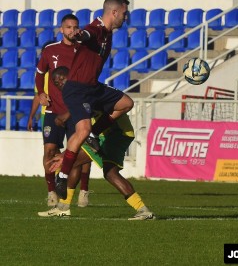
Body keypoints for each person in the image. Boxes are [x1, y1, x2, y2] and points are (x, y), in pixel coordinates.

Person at [38, 66, 155, 220]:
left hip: (115, 133)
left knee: (73, 163)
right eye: (55, 81)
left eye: (62, 78)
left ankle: (63, 207)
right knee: (110, 173)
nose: (59, 82)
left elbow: (101, 107)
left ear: (72, 78)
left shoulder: (88, 91)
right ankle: (143, 210)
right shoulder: (78, 95)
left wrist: (66, 151)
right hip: (111, 134)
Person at [55, 0, 134, 200]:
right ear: (114, 12)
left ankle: (93, 135)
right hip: (77, 89)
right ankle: (62, 176)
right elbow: (86, 35)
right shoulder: (96, 28)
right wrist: (79, 36)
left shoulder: (108, 32)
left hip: (93, 87)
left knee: (126, 103)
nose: (126, 18)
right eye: (124, 14)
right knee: (82, 129)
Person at [33, 15, 92, 207]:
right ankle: (51, 192)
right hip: (53, 111)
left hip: (76, 112)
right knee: (49, 151)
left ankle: (72, 194)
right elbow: (40, 74)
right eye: (68, 27)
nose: (72, 31)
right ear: (61, 29)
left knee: (74, 155)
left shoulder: (85, 51)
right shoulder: (50, 50)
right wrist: (41, 93)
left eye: (75, 27)